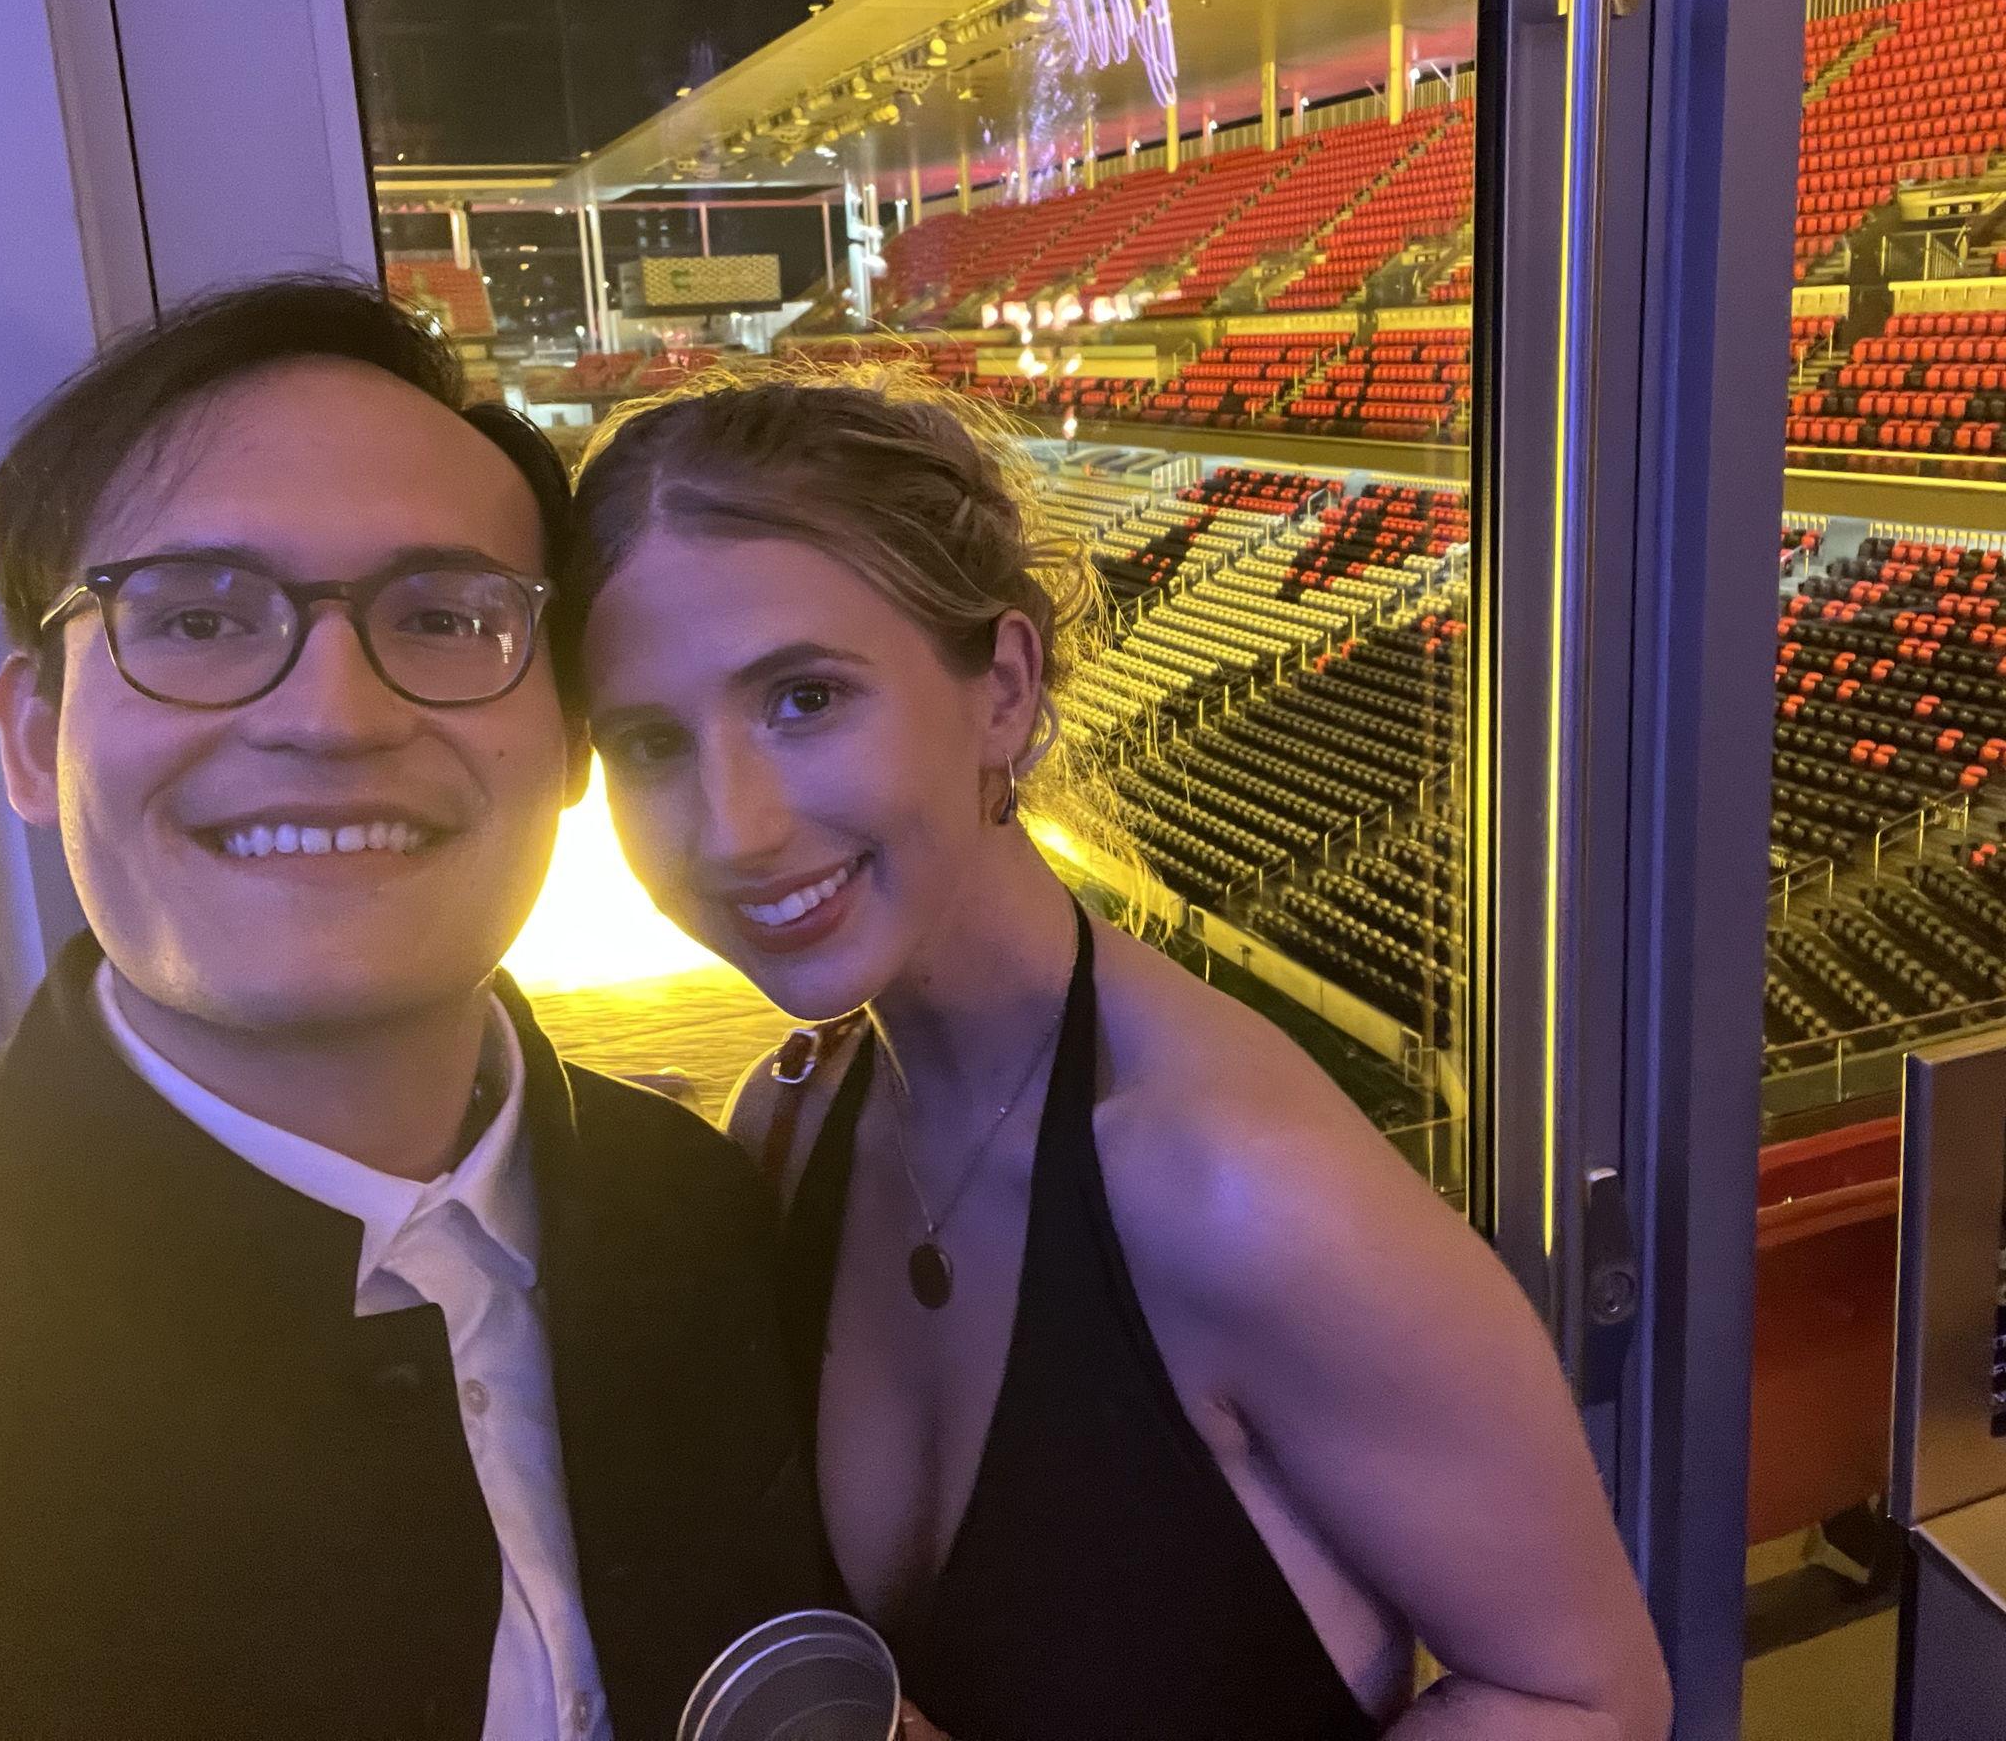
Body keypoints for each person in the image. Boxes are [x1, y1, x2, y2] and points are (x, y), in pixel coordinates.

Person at [568, 364, 1675, 1741]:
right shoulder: (788, 1124)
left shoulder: (1246, 1190)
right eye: (649, 742)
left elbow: (1591, 1700)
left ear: (1003, 688)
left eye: (804, 698)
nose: (732, 828)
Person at [0, 282, 827, 1740]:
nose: (334, 717)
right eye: (197, 618)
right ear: (37, 739)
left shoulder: (706, 1221)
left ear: (565, 744)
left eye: (442, 618)